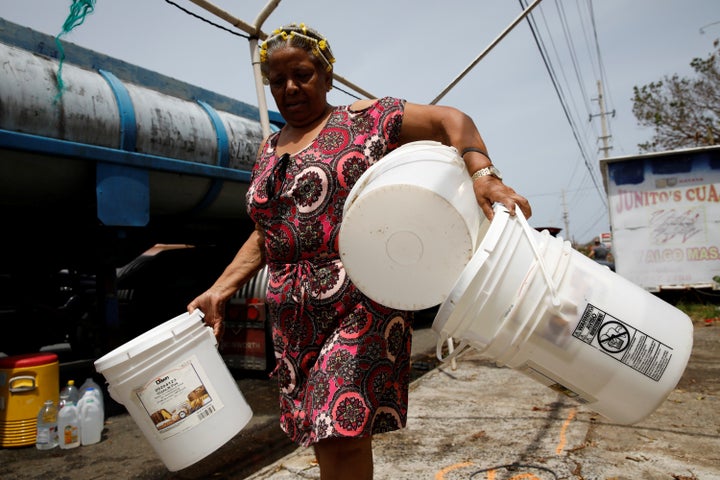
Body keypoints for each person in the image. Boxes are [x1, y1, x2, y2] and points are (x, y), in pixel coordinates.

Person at [187, 23, 531, 480]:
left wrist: (483, 172)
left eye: (303, 74)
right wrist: (220, 289)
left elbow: (453, 120)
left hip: (359, 298)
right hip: (292, 316)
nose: (289, 87)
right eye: (277, 79)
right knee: (320, 432)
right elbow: (267, 232)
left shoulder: (363, 120)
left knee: (342, 431)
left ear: (327, 76)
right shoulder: (270, 149)